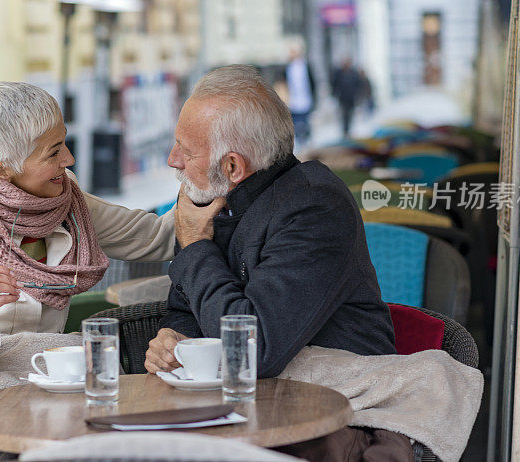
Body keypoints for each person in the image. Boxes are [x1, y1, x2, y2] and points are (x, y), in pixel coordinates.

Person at [144, 65, 406, 461]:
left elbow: (253, 348)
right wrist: (173, 341)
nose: (172, 160)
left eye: (185, 149)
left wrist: (196, 245)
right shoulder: (212, 200)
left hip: (330, 412)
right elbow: (184, 307)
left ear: (233, 166)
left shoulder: (315, 206)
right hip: (240, 404)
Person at [0, 82, 175, 400]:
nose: (69, 158)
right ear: (2, 171)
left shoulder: (66, 199)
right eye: (53, 153)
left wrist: (208, 187)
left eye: (64, 142)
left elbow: (157, 238)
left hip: (48, 395)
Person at [284, 43, 317, 145]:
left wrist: (314, 98)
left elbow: (312, 83)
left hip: (305, 99)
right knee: (296, 122)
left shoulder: (305, 66)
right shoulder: (288, 68)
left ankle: (306, 138)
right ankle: (299, 139)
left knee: (305, 121)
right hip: (293, 100)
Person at [330, 58, 362, 136]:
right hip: (342, 98)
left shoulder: (353, 73)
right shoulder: (339, 73)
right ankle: (345, 130)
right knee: (344, 114)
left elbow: (358, 84)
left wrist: (357, 94)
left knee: (350, 114)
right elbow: (334, 84)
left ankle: (348, 129)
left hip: (351, 98)